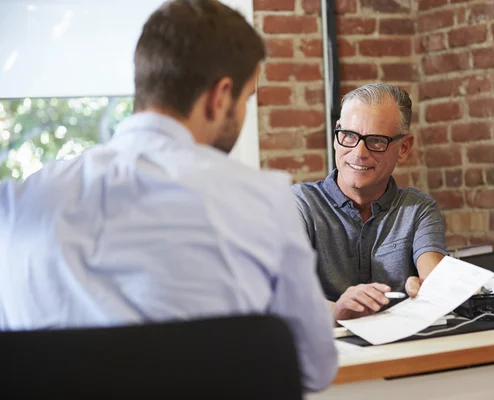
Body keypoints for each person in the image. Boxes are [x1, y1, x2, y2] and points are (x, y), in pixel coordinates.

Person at [0, 0, 337, 392]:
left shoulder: (16, 206)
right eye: (245, 100)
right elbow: (314, 366)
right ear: (220, 96)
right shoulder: (263, 199)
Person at [292, 83, 447, 322]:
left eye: (376, 140)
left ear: (403, 148)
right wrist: (337, 311)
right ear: (337, 135)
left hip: (399, 354)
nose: (359, 152)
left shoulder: (418, 210)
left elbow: (434, 281)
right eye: (349, 136)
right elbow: (288, 294)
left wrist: (428, 290)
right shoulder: (299, 204)